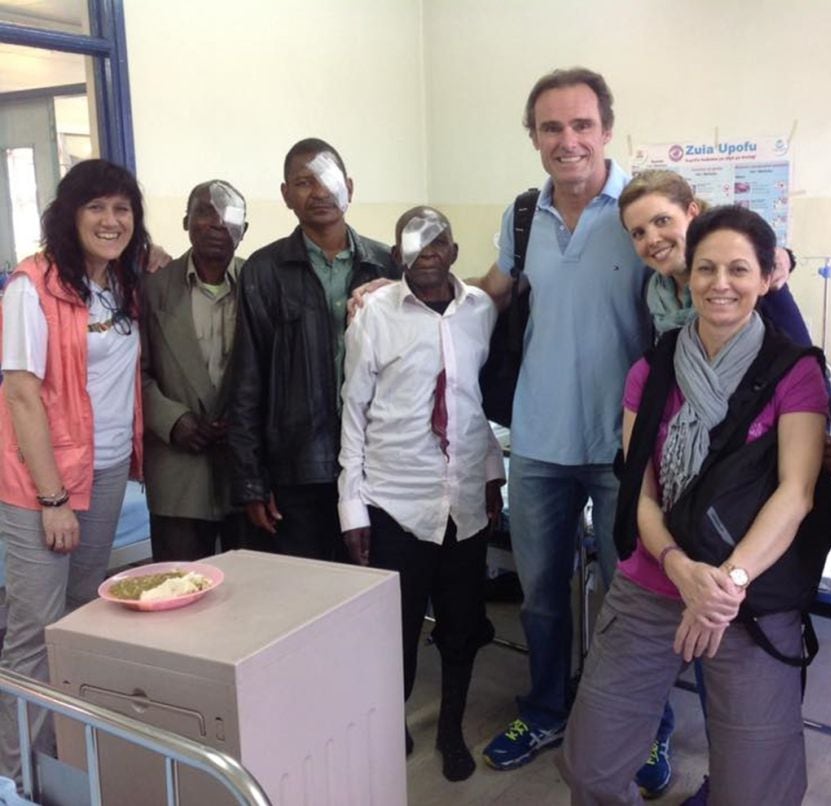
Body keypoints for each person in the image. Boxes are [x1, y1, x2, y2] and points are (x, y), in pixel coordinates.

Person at [557, 205, 828, 805]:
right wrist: (682, 570)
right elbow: (640, 490)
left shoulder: (795, 372)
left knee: (755, 786)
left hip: (749, 597)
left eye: (738, 269)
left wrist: (725, 585)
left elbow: (796, 492)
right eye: (706, 268)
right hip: (654, 581)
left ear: (766, 277)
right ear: (690, 275)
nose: (720, 283)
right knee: (591, 766)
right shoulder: (652, 370)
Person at [474, 68, 658, 783]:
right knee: (543, 596)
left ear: (607, 130)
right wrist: (399, 293)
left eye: (582, 125)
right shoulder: (524, 217)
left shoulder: (643, 208)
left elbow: (708, 276)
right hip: (540, 442)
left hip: (624, 452)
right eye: (552, 128)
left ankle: (646, 728)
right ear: (534, 138)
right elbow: (488, 295)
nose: (568, 140)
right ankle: (546, 707)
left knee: (633, 603)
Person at [338, 206, 503, 781]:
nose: (428, 250)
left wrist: (490, 474)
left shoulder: (480, 311)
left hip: (464, 503)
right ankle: (391, 720)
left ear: (455, 251)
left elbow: (471, 401)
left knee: (460, 628)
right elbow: (352, 413)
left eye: (439, 240)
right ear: (398, 254)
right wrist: (351, 505)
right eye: (415, 240)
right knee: (397, 632)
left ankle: (452, 727)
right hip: (395, 504)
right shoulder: (374, 315)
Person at [0, 159, 148, 780]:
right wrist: (53, 498)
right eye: (96, 208)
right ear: (69, 214)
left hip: (110, 469)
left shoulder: (120, 281)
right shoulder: (30, 287)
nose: (111, 221)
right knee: (34, 632)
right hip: (47, 483)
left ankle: (64, 759)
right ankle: (14, 778)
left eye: (122, 208)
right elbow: (21, 394)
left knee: (84, 613)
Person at [228, 138, 399, 560]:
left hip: (379, 466)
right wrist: (252, 481)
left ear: (350, 187)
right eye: (304, 182)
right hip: (300, 468)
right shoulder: (263, 271)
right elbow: (247, 382)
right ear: (286, 195)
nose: (319, 192)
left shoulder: (388, 265)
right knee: (311, 600)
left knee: (378, 596)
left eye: (329, 180)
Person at [141, 180, 248, 561]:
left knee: (250, 595)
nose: (218, 223)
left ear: (244, 230)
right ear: (187, 221)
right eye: (206, 212)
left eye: (230, 215)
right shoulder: (151, 288)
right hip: (177, 473)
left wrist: (244, 420)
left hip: (244, 473)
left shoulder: (260, 284)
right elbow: (134, 372)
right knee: (178, 594)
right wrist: (173, 420)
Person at [619, 169, 814, 347]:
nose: (652, 240)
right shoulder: (654, 295)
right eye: (638, 233)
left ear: (692, 212)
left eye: (662, 221)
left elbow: (808, 372)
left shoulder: (753, 286)